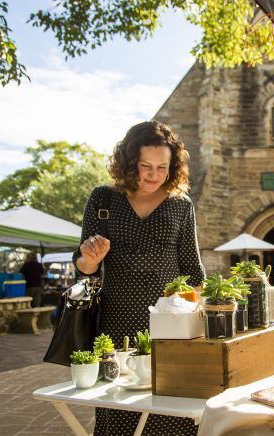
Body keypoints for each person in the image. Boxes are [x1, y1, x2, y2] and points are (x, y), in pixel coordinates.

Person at [73, 120, 206, 436]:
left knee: (171, 412)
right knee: (118, 411)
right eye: (145, 166)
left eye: (162, 167)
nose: (154, 174)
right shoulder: (103, 199)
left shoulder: (181, 205)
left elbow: (194, 272)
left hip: (169, 329)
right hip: (115, 325)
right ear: (128, 162)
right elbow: (82, 268)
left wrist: (189, 328)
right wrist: (90, 259)